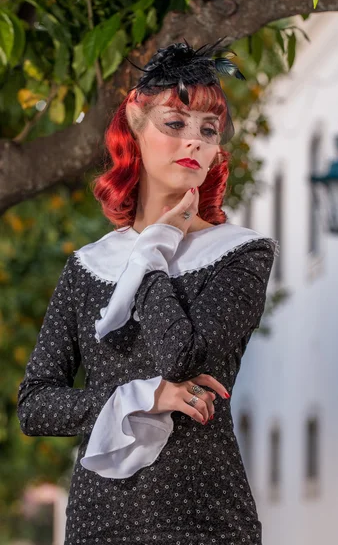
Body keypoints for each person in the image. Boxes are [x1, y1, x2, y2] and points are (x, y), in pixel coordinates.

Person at [17, 37, 279, 545]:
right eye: (174, 124)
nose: (195, 142)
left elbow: (182, 356)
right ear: (134, 128)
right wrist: (141, 397)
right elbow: (35, 405)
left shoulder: (241, 254)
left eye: (208, 130)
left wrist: (154, 247)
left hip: (205, 518)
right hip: (100, 521)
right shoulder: (89, 265)